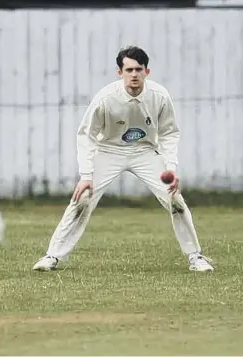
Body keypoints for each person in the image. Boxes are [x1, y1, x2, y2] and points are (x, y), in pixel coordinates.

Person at [32, 46, 213, 272]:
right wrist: (86, 175)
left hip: (145, 151)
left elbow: (169, 133)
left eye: (139, 69)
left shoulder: (160, 96)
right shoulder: (105, 98)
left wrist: (171, 167)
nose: (134, 74)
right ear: (120, 72)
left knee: (175, 199)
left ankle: (196, 257)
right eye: (129, 69)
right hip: (109, 150)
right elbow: (85, 135)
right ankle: (52, 256)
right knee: (82, 199)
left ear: (147, 71)